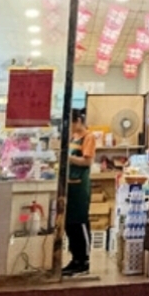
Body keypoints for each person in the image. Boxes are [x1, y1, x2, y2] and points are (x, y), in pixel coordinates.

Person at [63, 109, 96, 277]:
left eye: (70, 123)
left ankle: (83, 260)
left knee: (79, 222)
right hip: (68, 185)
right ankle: (75, 258)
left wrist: (67, 158)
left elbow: (87, 161)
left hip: (80, 186)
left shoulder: (88, 137)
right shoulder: (72, 138)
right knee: (69, 223)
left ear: (78, 121)